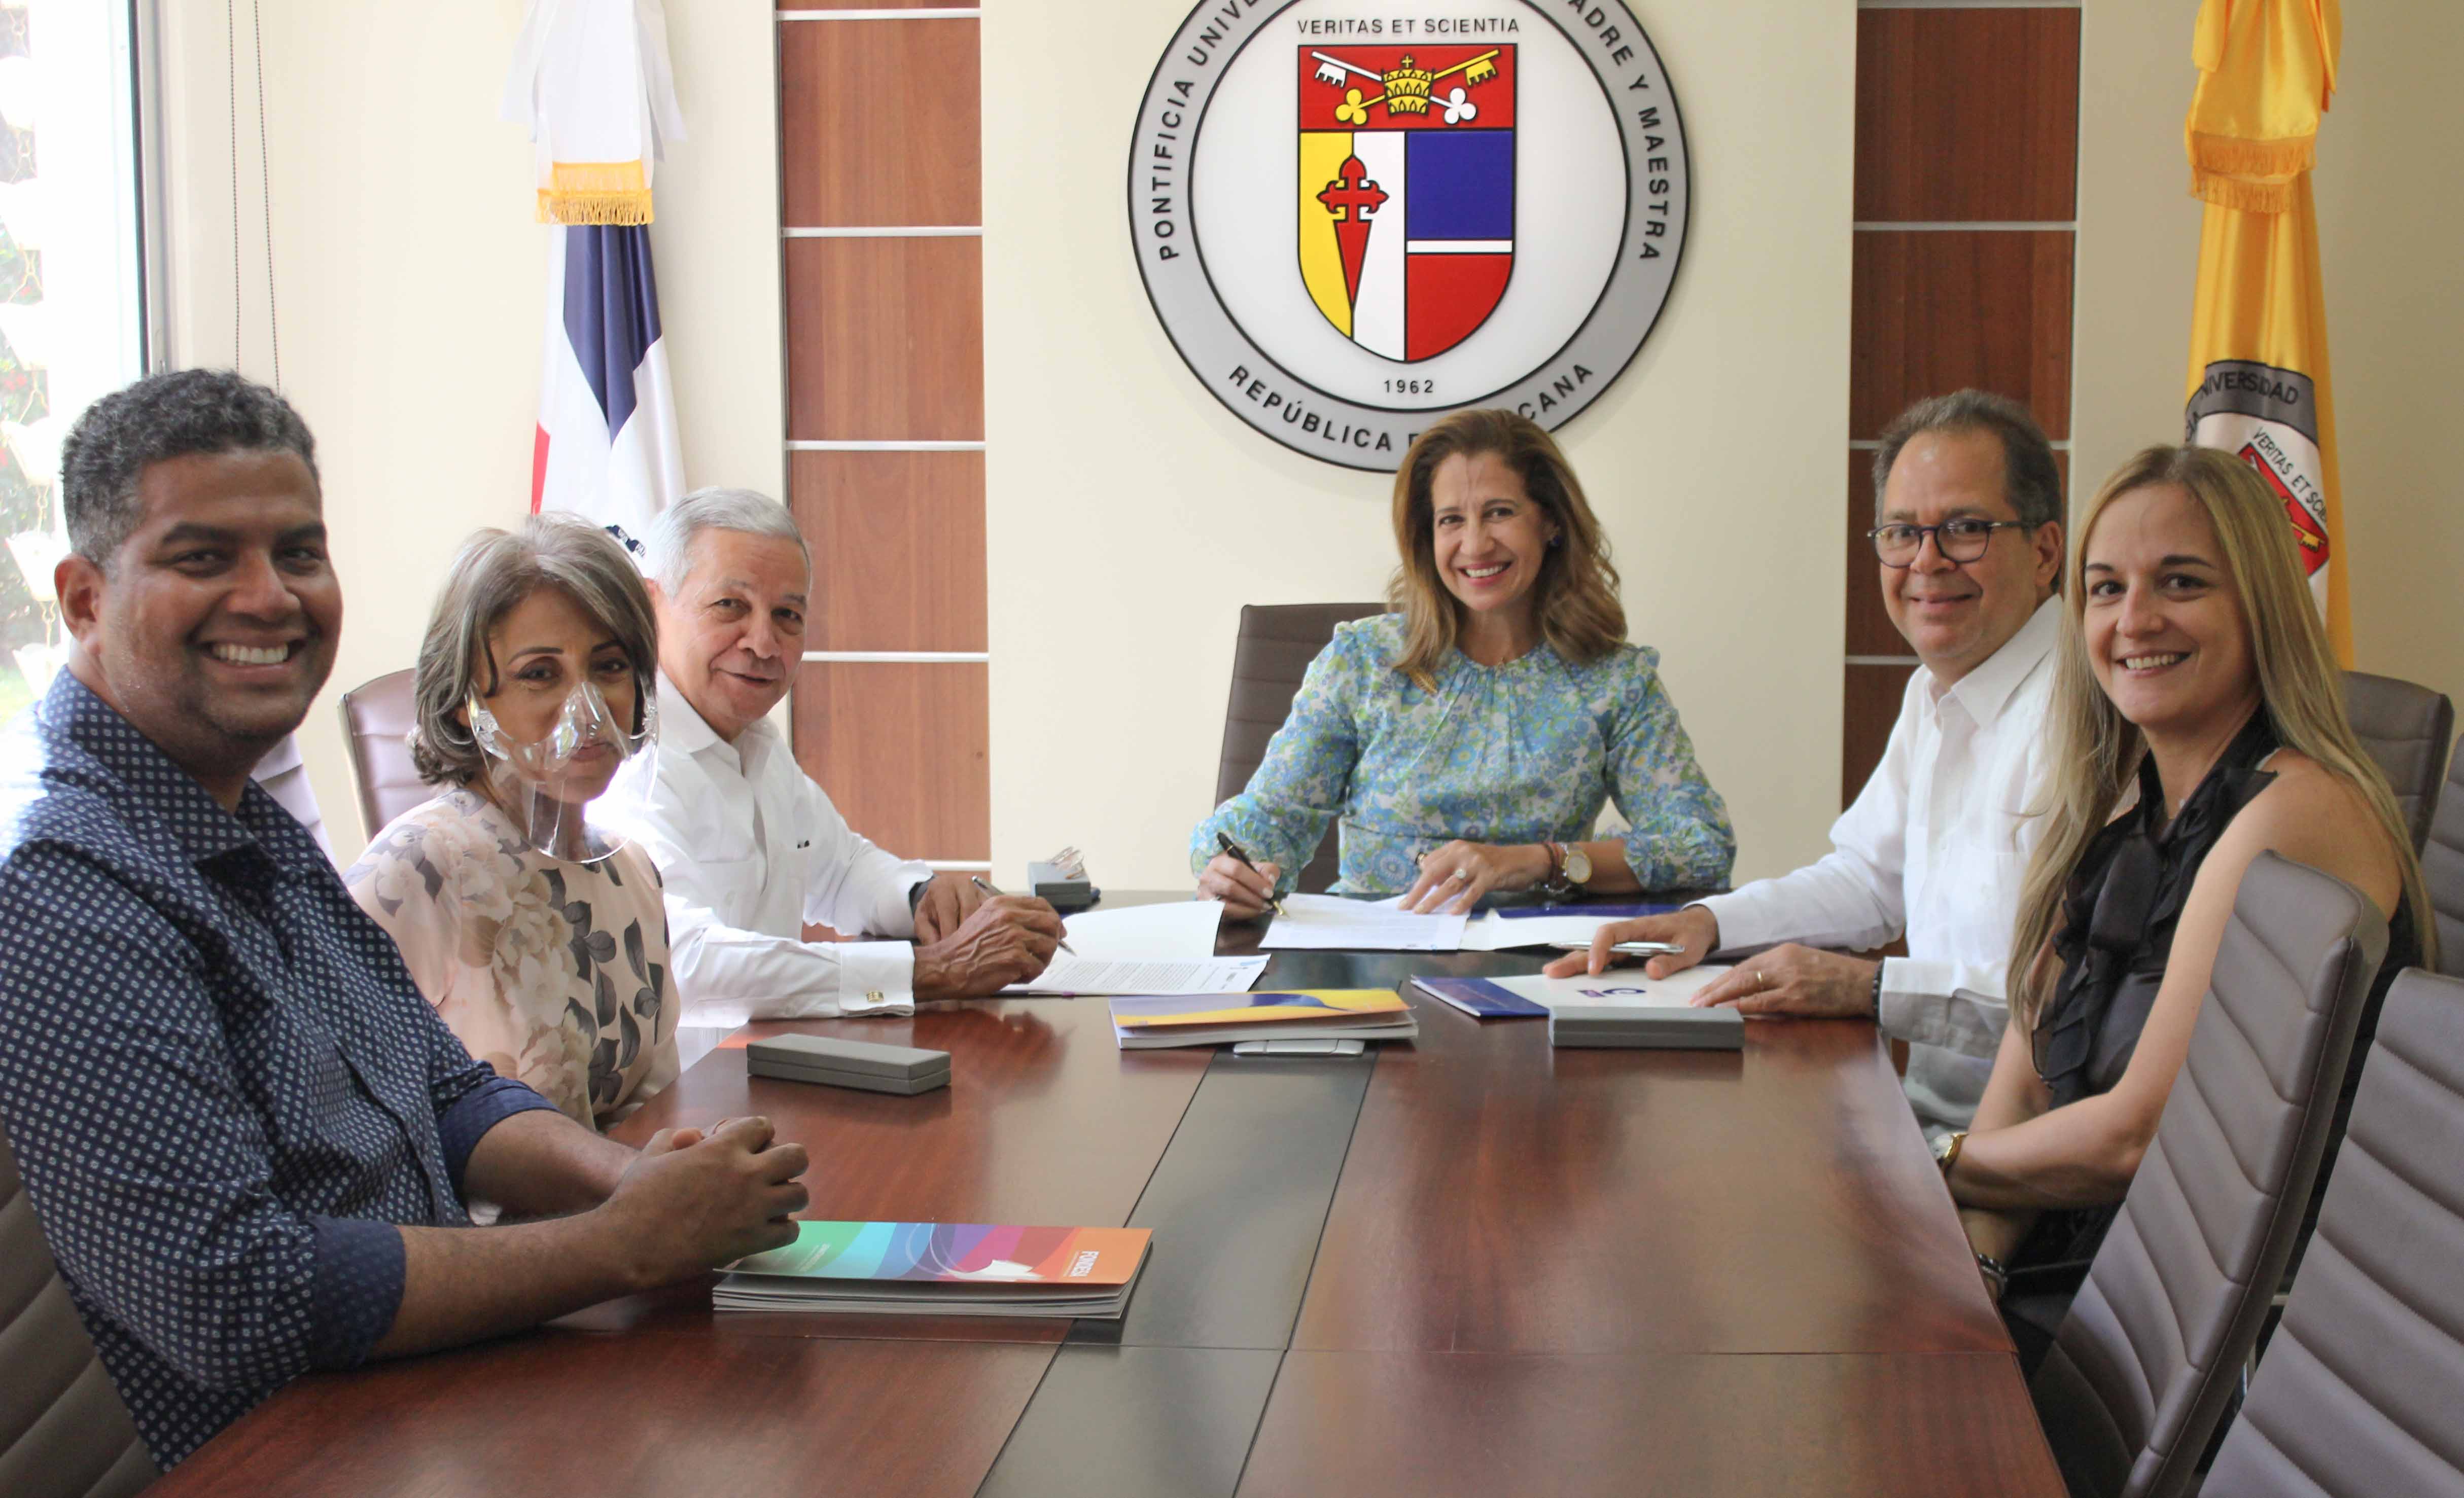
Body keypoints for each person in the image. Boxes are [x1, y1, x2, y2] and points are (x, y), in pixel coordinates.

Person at [0, 371, 806, 1471]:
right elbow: (236, 1297)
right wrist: (618, 1243)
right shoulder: (71, 893)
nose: (270, 596)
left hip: (434, 1403)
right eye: (203, 557)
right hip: (304, 1455)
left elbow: (444, 1089)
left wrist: (630, 1184)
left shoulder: (246, 828)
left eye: (298, 552)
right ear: (85, 599)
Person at [1941, 445, 2426, 1366]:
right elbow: (2023, 1088)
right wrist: (1976, 1267)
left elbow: (2133, 1136)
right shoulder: (2121, 812)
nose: (2134, 620)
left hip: (2199, 1346)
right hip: (2083, 1282)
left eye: (2181, 582)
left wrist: (1927, 1166)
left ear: (2260, 604)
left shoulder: (2293, 811)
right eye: (2105, 588)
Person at [1548, 391, 2065, 1137]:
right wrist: (1704, 923)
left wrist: (1871, 988)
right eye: (1901, 532)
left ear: (2044, 551)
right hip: (1933, 1131)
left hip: (2029, 1155)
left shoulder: (2094, 715)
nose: (1926, 561)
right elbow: (1866, 880)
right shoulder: (1935, 690)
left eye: (1964, 529)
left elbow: (2080, 1005)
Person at [1191, 409, 1734, 917]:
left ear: (1551, 521)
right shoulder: (1362, 661)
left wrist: (1540, 860)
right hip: (1374, 957)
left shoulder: (1614, 679)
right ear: (1427, 537)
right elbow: (1270, 819)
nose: (1475, 545)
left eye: (1499, 512)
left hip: (1540, 958)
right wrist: (1227, 872)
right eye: (1451, 520)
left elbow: (1701, 845)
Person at [597, 488, 1063, 1025]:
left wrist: (922, 896)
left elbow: (841, 871)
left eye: (788, 615)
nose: (763, 642)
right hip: (694, 1077)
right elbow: (684, 963)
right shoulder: (623, 765)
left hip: (772, 1059)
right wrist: (932, 970)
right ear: (651, 608)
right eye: (730, 606)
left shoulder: (756, 744)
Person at [345, 515, 677, 1132]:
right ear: (464, 701)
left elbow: (654, 1102)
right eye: (540, 673)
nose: (589, 710)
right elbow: (346, 1120)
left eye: (609, 666)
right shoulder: (418, 871)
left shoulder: (630, 872)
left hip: (626, 1192)